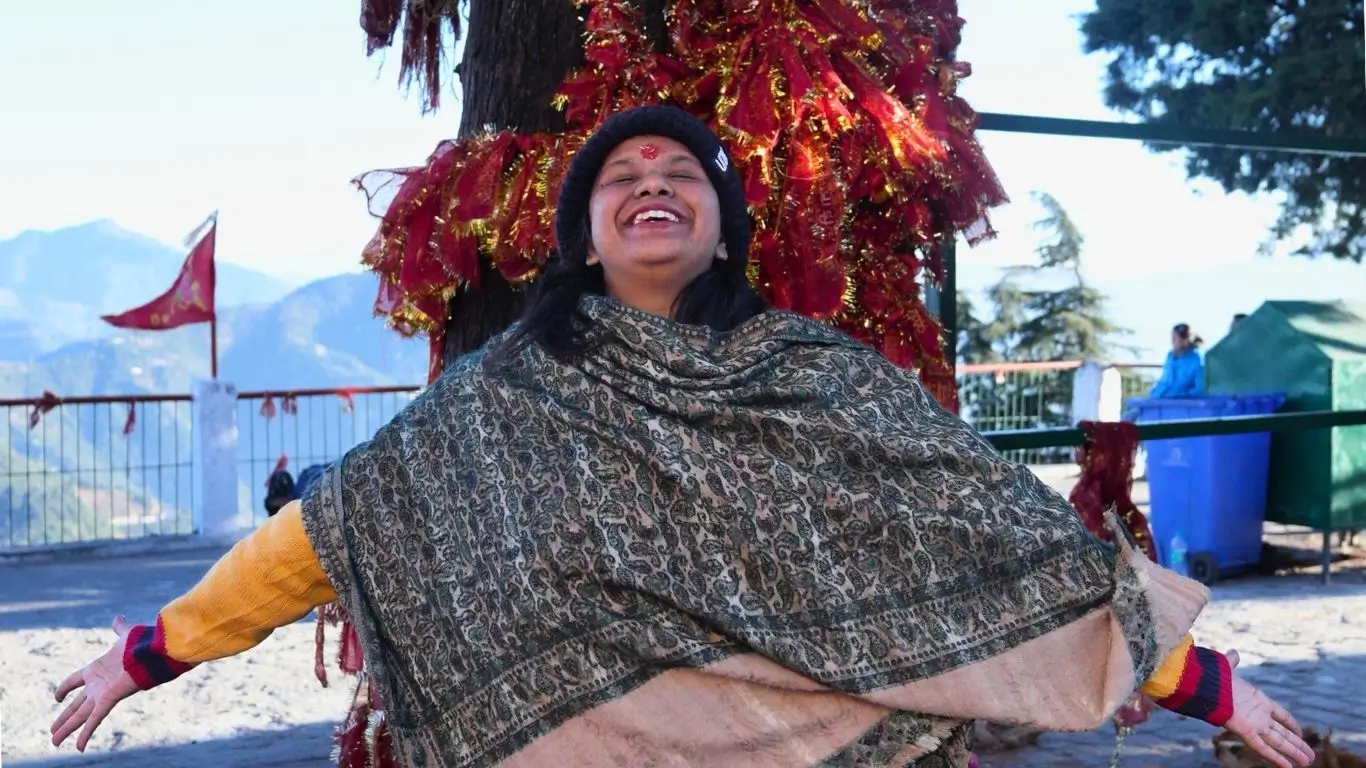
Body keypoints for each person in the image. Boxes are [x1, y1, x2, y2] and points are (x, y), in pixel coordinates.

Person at [48, 106, 1313, 768]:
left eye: (681, 174)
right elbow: (333, 532)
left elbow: (1006, 550)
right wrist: (154, 652)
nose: (651, 183)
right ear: (587, 234)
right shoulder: (502, 398)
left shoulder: (825, 384)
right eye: (620, 177)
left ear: (720, 225)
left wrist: (1200, 683)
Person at [1149, 322, 1205, 398]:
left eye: (1174, 339)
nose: (1172, 342)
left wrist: (1180, 396)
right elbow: (1165, 380)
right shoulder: (1170, 356)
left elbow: (1199, 389)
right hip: (1158, 399)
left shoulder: (1197, 361)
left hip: (1180, 404)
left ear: (1184, 341)